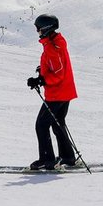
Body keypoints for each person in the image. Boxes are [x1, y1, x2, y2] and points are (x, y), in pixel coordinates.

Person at [26, 14, 78, 170]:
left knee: (41, 125)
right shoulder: (56, 43)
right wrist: (43, 70)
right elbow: (55, 66)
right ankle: (67, 157)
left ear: (46, 29)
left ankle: (47, 160)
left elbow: (58, 74)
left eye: (38, 29)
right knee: (57, 123)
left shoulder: (52, 47)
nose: (38, 32)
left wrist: (41, 80)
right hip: (65, 92)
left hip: (57, 94)